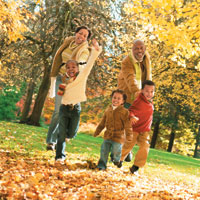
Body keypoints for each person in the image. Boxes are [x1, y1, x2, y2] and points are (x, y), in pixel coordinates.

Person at [46, 26, 92, 150]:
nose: (81, 37)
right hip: (61, 80)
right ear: (75, 33)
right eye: (80, 33)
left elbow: (82, 60)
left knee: (68, 110)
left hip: (72, 83)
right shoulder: (67, 43)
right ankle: (51, 141)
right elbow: (58, 58)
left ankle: (61, 137)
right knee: (57, 110)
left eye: (85, 36)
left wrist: (81, 64)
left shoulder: (84, 50)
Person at [55, 40, 102, 162]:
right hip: (64, 109)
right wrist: (64, 83)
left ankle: (66, 136)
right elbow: (60, 95)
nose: (71, 69)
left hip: (75, 109)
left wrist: (96, 50)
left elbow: (90, 63)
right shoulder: (65, 80)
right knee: (61, 135)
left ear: (77, 68)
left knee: (71, 133)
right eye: (68, 67)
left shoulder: (82, 76)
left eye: (73, 67)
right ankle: (59, 156)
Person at [117, 39, 152, 161]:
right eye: (136, 48)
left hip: (140, 98)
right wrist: (138, 92)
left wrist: (148, 93)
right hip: (127, 95)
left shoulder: (146, 58)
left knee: (134, 126)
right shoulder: (127, 61)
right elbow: (130, 78)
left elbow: (148, 77)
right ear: (132, 49)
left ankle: (126, 151)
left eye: (141, 48)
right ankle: (119, 153)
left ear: (144, 49)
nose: (139, 51)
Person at [117, 80, 155, 175]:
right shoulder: (139, 101)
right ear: (142, 90)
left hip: (145, 130)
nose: (149, 93)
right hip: (135, 128)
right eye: (147, 91)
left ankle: (136, 167)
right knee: (128, 145)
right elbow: (131, 110)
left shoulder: (150, 102)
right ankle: (119, 159)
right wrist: (132, 116)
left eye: (152, 91)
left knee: (145, 146)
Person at [94, 89, 133, 170]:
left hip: (118, 136)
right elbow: (103, 122)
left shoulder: (124, 112)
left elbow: (127, 125)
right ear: (111, 98)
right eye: (114, 97)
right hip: (108, 135)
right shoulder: (108, 110)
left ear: (123, 101)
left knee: (116, 151)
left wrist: (129, 136)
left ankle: (117, 159)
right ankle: (101, 165)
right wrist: (97, 131)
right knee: (104, 151)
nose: (116, 100)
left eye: (119, 98)